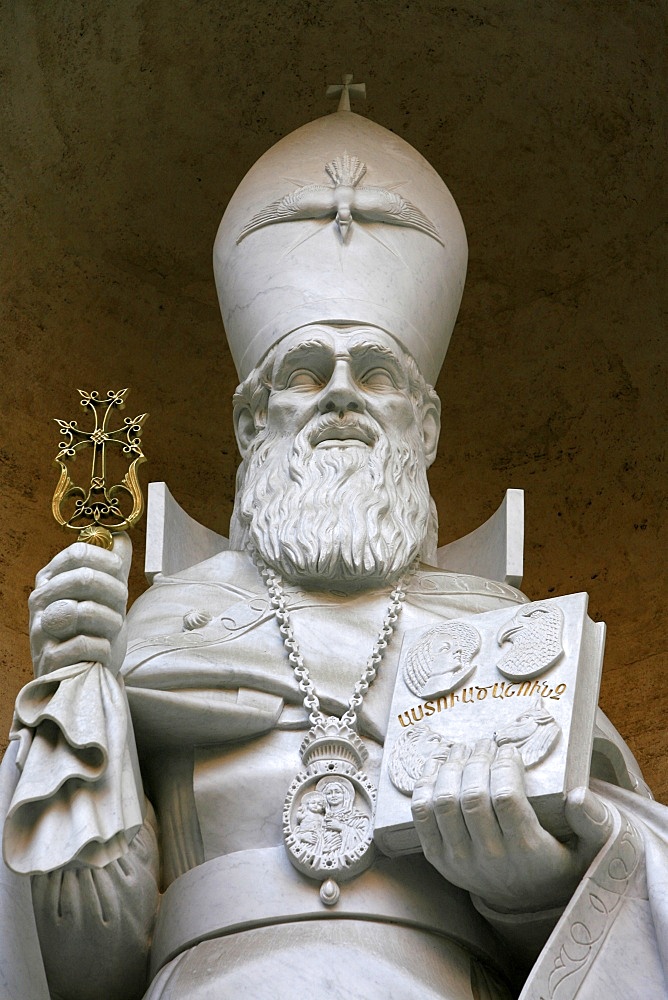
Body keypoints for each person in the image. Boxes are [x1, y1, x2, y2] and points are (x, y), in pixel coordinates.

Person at [1, 99, 667, 1000]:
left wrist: (531, 888)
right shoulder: (144, 638)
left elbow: (632, 905)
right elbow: (90, 974)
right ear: (250, 420)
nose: (341, 399)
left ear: (423, 425)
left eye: (379, 376)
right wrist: (73, 695)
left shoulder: (512, 652)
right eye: (306, 373)